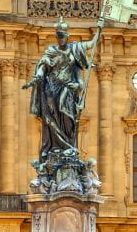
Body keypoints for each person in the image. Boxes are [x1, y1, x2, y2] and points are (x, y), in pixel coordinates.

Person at [23, 16, 101, 160]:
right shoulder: (51, 51)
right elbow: (42, 65)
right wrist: (36, 77)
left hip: (67, 90)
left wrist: (100, 29)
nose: (61, 39)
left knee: (67, 115)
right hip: (51, 89)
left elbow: (92, 44)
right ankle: (55, 148)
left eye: (63, 36)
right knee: (51, 119)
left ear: (67, 36)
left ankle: (68, 146)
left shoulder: (75, 49)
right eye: (58, 37)